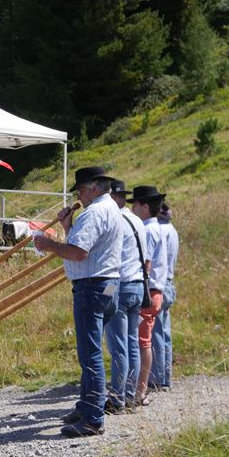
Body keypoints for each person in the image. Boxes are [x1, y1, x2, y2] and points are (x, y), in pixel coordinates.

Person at [34, 166, 122, 437]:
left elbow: (78, 252)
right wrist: (67, 226)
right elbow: (88, 247)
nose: (80, 196)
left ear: (94, 188)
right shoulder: (109, 210)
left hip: (92, 286)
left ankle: (93, 418)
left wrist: (47, 244)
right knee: (91, 352)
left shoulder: (94, 212)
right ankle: (87, 406)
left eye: (82, 190)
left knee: (90, 354)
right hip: (106, 285)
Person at [103, 180, 147, 414]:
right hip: (138, 285)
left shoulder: (115, 221)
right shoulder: (137, 221)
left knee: (118, 346)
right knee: (131, 344)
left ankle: (118, 397)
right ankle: (129, 394)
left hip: (120, 285)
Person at [128, 186, 168, 406]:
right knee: (144, 340)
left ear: (144, 206)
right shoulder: (156, 227)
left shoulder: (148, 230)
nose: (132, 208)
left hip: (148, 291)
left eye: (135, 204)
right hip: (153, 290)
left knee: (142, 342)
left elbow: (146, 263)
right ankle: (138, 387)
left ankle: (140, 390)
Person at [149, 203, 179, 391]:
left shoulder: (160, 230)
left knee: (156, 333)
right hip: (168, 282)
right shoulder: (172, 230)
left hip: (160, 283)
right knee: (164, 332)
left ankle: (157, 378)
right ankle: (165, 375)